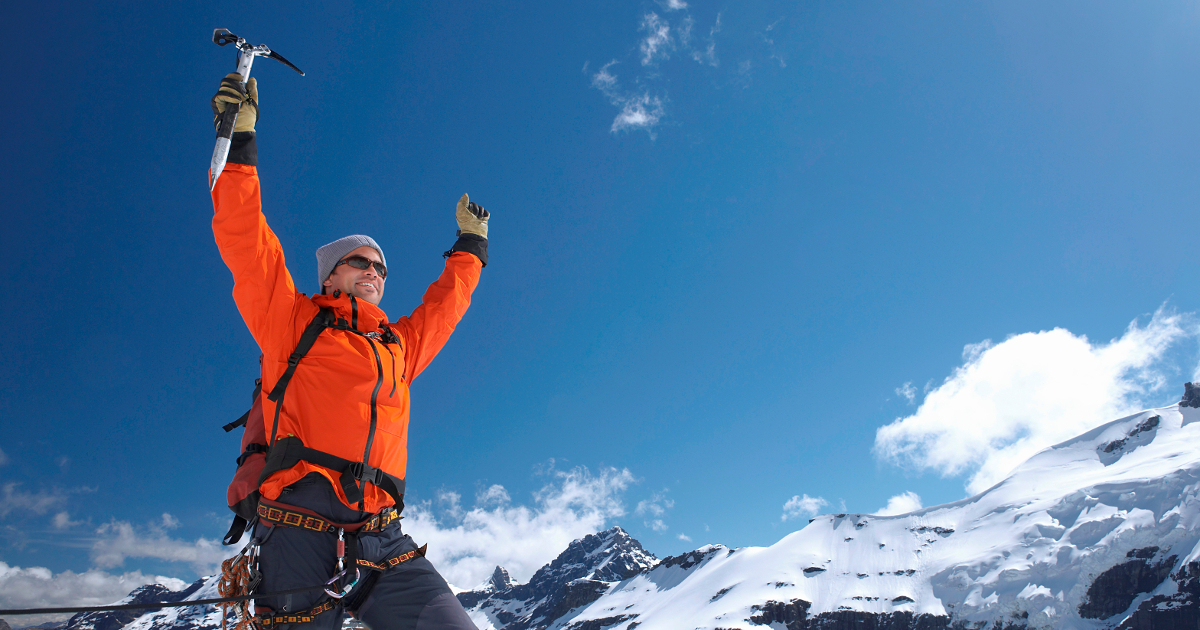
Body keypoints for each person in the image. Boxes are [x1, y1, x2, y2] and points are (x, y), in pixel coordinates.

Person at [209, 72, 486, 630]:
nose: (375, 272)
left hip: (382, 536)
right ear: (331, 275)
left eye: (381, 267)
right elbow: (246, 242)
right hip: (297, 529)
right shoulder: (292, 321)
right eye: (362, 261)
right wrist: (239, 144)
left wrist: (471, 249)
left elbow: (445, 308)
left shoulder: (398, 347)